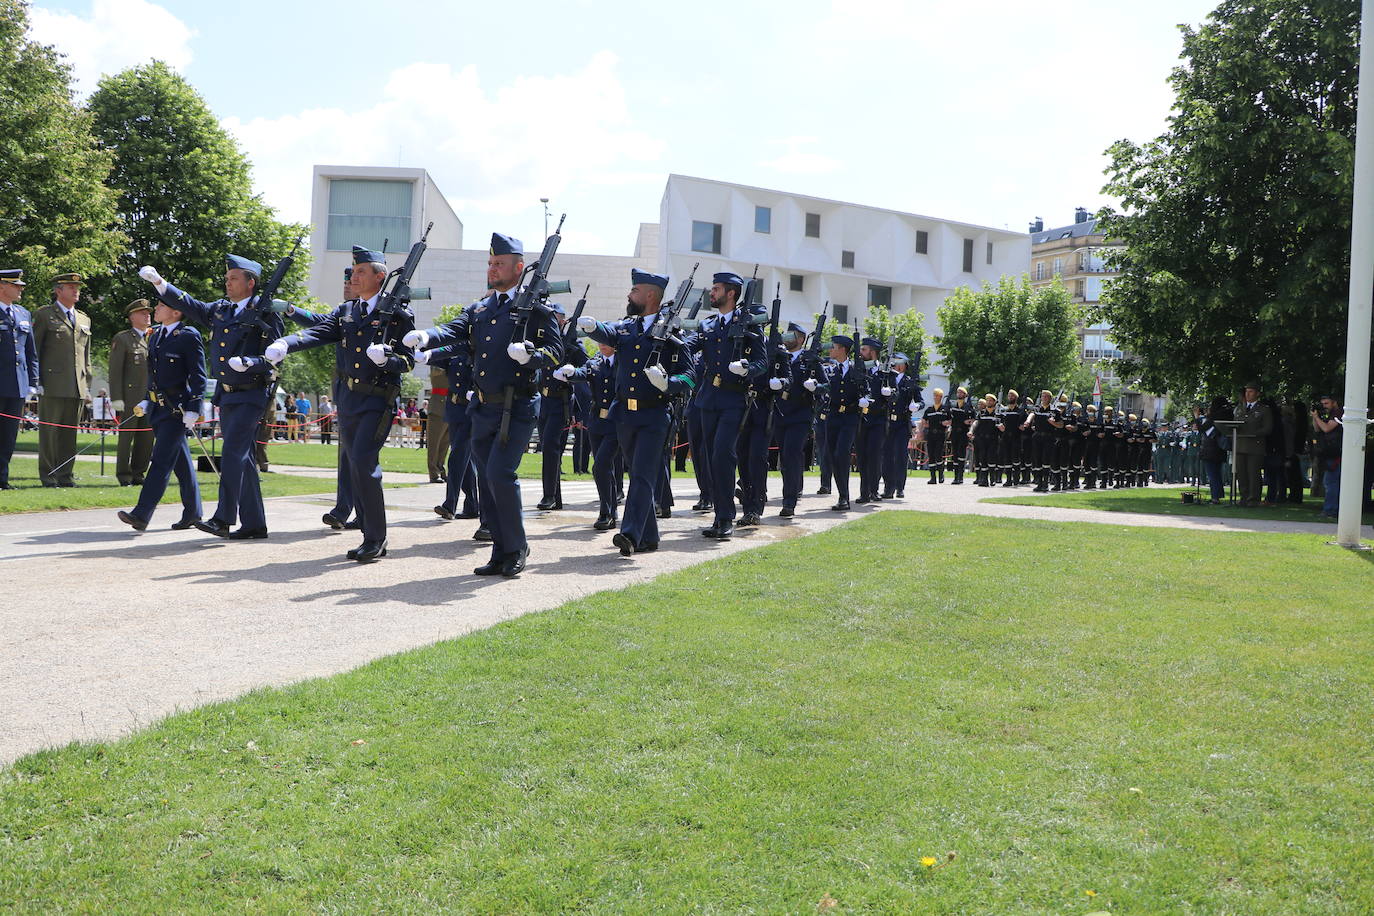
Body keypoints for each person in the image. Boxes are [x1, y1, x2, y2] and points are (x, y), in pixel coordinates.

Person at [404, 232, 562, 576]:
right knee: (487, 481)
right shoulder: (481, 308)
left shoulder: (536, 309)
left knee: (500, 474)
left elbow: (555, 352)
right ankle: (500, 551)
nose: (492, 268)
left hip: (516, 406)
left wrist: (531, 355)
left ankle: (517, 546)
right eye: (490, 263)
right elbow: (457, 330)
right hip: (482, 409)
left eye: (499, 263)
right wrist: (428, 336)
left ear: (519, 267)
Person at [266, 246, 415, 561]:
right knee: (355, 463)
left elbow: (408, 361)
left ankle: (376, 538)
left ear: (380, 276)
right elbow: (319, 332)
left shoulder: (398, 314)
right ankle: (368, 533)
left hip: (378, 398)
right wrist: (285, 344)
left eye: (361, 271)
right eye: (353, 271)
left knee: (363, 461)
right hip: (348, 399)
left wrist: (388, 359)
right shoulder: (347, 311)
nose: (354, 277)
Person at [140, 254, 285, 539]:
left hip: (252, 393)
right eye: (227, 279)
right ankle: (255, 523)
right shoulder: (221, 310)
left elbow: (275, 356)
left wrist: (250, 363)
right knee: (242, 458)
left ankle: (222, 518)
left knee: (231, 452)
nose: (227, 284)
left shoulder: (267, 314)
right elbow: (190, 305)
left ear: (250, 283)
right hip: (227, 395)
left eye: (233, 279)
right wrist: (160, 283)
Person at [575, 269, 688, 555]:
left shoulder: (671, 332)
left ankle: (629, 534)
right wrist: (593, 328)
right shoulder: (627, 327)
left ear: (650, 295)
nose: (629, 295)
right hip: (625, 414)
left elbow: (690, 375)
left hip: (654, 415)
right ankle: (649, 537)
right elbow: (608, 333)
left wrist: (668, 383)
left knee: (641, 476)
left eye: (634, 291)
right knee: (638, 474)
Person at [680, 272, 766, 538]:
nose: (711, 293)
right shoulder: (707, 326)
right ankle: (719, 517)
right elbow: (687, 346)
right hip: (708, 399)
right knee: (708, 458)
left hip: (733, 400)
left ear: (731, 293)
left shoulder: (749, 325)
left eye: (716, 289)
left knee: (722, 455)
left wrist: (746, 368)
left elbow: (762, 364)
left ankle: (726, 517)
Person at [116, 299, 205, 532]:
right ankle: (193, 512)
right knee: (182, 464)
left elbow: (198, 375)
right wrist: (147, 398)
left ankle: (142, 514)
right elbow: (152, 372)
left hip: (177, 410)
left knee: (161, 461)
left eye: (160, 306)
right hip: (158, 408)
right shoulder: (155, 335)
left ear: (176, 312)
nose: (155, 310)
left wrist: (195, 407)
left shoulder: (188, 335)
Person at [31, 273, 93, 487]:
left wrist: (87, 386)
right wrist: (36, 381)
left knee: (69, 435)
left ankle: (65, 476)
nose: (76, 290)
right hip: (52, 385)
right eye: (71, 287)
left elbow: (86, 357)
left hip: (77, 385)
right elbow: (35, 351)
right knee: (49, 434)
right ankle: (48, 476)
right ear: (58, 290)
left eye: (77, 287)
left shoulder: (84, 319)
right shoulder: (44, 315)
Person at [416, 340, 482, 528]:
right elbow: (437, 358)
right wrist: (423, 349)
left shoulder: (480, 351)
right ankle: (471, 505)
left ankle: (450, 504)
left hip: (471, 409)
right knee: (466, 462)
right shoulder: (454, 353)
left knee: (456, 457)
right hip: (453, 408)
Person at [557, 343, 620, 528]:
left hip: (617, 422)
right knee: (605, 467)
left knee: (600, 466)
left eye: (605, 341)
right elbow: (583, 372)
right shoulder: (595, 363)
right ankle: (611, 510)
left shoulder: (624, 361)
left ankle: (605, 512)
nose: (601, 345)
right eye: (599, 341)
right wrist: (570, 372)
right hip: (597, 422)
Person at [536, 304, 585, 510]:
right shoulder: (546, 342)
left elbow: (588, 371)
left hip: (562, 403)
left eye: (555, 318)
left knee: (551, 447)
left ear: (563, 321)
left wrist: (572, 371)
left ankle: (549, 496)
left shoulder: (573, 345)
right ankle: (555, 497)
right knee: (548, 448)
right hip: (544, 402)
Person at [771, 321, 819, 517]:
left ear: (800, 338)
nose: (786, 337)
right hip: (780, 412)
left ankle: (789, 501)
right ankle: (793, 488)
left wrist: (815, 385)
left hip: (800, 414)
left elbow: (825, 386)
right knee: (785, 456)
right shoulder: (779, 356)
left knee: (791, 454)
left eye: (790, 335)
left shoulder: (810, 360)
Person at [109, 300, 155, 485]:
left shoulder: (155, 337)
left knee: (146, 438)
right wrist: (117, 398)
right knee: (126, 437)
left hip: (150, 398)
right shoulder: (123, 339)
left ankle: (138, 473)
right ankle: (124, 474)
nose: (147, 315)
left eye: (148, 312)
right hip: (131, 398)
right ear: (131, 317)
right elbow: (115, 370)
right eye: (142, 312)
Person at [815, 334, 864, 511]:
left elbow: (865, 388)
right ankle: (842, 495)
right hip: (833, 416)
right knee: (833, 455)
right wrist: (815, 387)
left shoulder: (856, 368)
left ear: (843, 349)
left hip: (850, 417)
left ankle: (844, 497)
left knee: (842, 452)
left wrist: (866, 399)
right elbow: (825, 387)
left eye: (834, 347)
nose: (831, 349)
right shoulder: (830, 370)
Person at [0, 269, 38, 489]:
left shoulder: (23, 314)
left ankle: (2, 479)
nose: (20, 288)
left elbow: (30, 352)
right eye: (16, 285)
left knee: (8, 436)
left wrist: (33, 381)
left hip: (17, 385)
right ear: (2, 286)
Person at [879, 352, 921, 499]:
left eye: (898, 362)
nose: (895, 364)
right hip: (888, 422)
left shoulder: (910, 382)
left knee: (900, 456)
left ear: (904, 365)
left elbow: (920, 400)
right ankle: (888, 487)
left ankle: (900, 487)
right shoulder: (887, 379)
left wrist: (916, 405)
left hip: (902, 423)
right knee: (887, 456)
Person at [1232, 382, 1272, 507]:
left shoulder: (1263, 410)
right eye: (1246, 391)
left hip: (1255, 446)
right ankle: (1244, 497)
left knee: (1253, 474)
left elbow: (1268, 428)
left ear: (1257, 394)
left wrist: (1253, 432)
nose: (1247, 394)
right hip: (1240, 445)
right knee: (1241, 474)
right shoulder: (1240, 408)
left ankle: (1253, 499)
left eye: (1251, 391)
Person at [1312, 395, 1343, 519]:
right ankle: (1331, 509)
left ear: (1334, 403)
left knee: (1330, 482)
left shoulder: (1338, 413)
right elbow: (1317, 429)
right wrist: (1316, 417)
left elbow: (1326, 428)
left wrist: (1316, 417)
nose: (1324, 406)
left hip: (1336, 454)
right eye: (1322, 404)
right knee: (1329, 482)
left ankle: (1330, 510)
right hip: (1329, 453)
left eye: (1326, 403)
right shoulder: (1328, 415)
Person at [1194, 397, 1229, 503]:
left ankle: (1215, 497)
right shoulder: (1225, 415)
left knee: (1212, 474)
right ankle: (1218, 495)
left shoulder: (1212, 418)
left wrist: (1196, 417)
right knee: (1216, 474)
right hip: (1219, 450)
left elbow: (1202, 428)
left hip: (1210, 450)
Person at [919, 388, 950, 484]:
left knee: (938, 454)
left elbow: (950, 420)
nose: (936, 397)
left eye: (938, 395)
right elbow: (923, 420)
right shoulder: (929, 410)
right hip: (931, 434)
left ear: (941, 397)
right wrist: (923, 426)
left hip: (940, 434)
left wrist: (947, 423)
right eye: (935, 395)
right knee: (931, 455)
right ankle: (933, 477)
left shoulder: (945, 409)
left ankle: (941, 475)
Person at [425, 362, 450, 482]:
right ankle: (433, 473)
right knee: (434, 443)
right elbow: (436, 371)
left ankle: (441, 469)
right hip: (438, 405)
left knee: (445, 443)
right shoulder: (438, 358)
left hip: (451, 404)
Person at [946, 387, 973, 484]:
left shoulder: (968, 406)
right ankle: (955, 476)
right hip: (954, 433)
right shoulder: (953, 405)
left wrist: (969, 422)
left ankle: (960, 476)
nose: (959, 394)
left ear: (965, 395)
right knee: (955, 455)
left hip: (963, 433)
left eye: (961, 393)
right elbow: (949, 417)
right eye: (958, 392)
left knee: (961, 454)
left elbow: (973, 419)